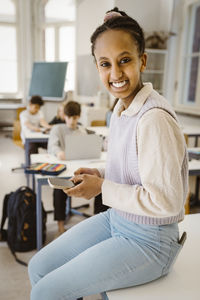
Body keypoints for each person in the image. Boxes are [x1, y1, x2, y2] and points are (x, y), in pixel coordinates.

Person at [28, 7, 188, 300]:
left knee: (46, 293)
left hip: (151, 242)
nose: (115, 73)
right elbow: (135, 167)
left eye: (124, 61)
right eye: (105, 64)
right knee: (38, 268)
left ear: (142, 61)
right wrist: (100, 174)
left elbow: (166, 201)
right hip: (120, 219)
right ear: (97, 67)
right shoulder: (122, 109)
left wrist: (102, 188)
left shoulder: (154, 118)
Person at [47, 101, 86, 234]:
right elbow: (52, 145)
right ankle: (60, 224)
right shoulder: (57, 129)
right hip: (64, 168)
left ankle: (98, 218)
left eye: (74, 118)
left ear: (79, 116)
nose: (71, 121)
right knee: (59, 190)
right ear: (64, 116)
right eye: (69, 117)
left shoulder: (81, 130)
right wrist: (59, 152)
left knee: (101, 184)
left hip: (78, 168)